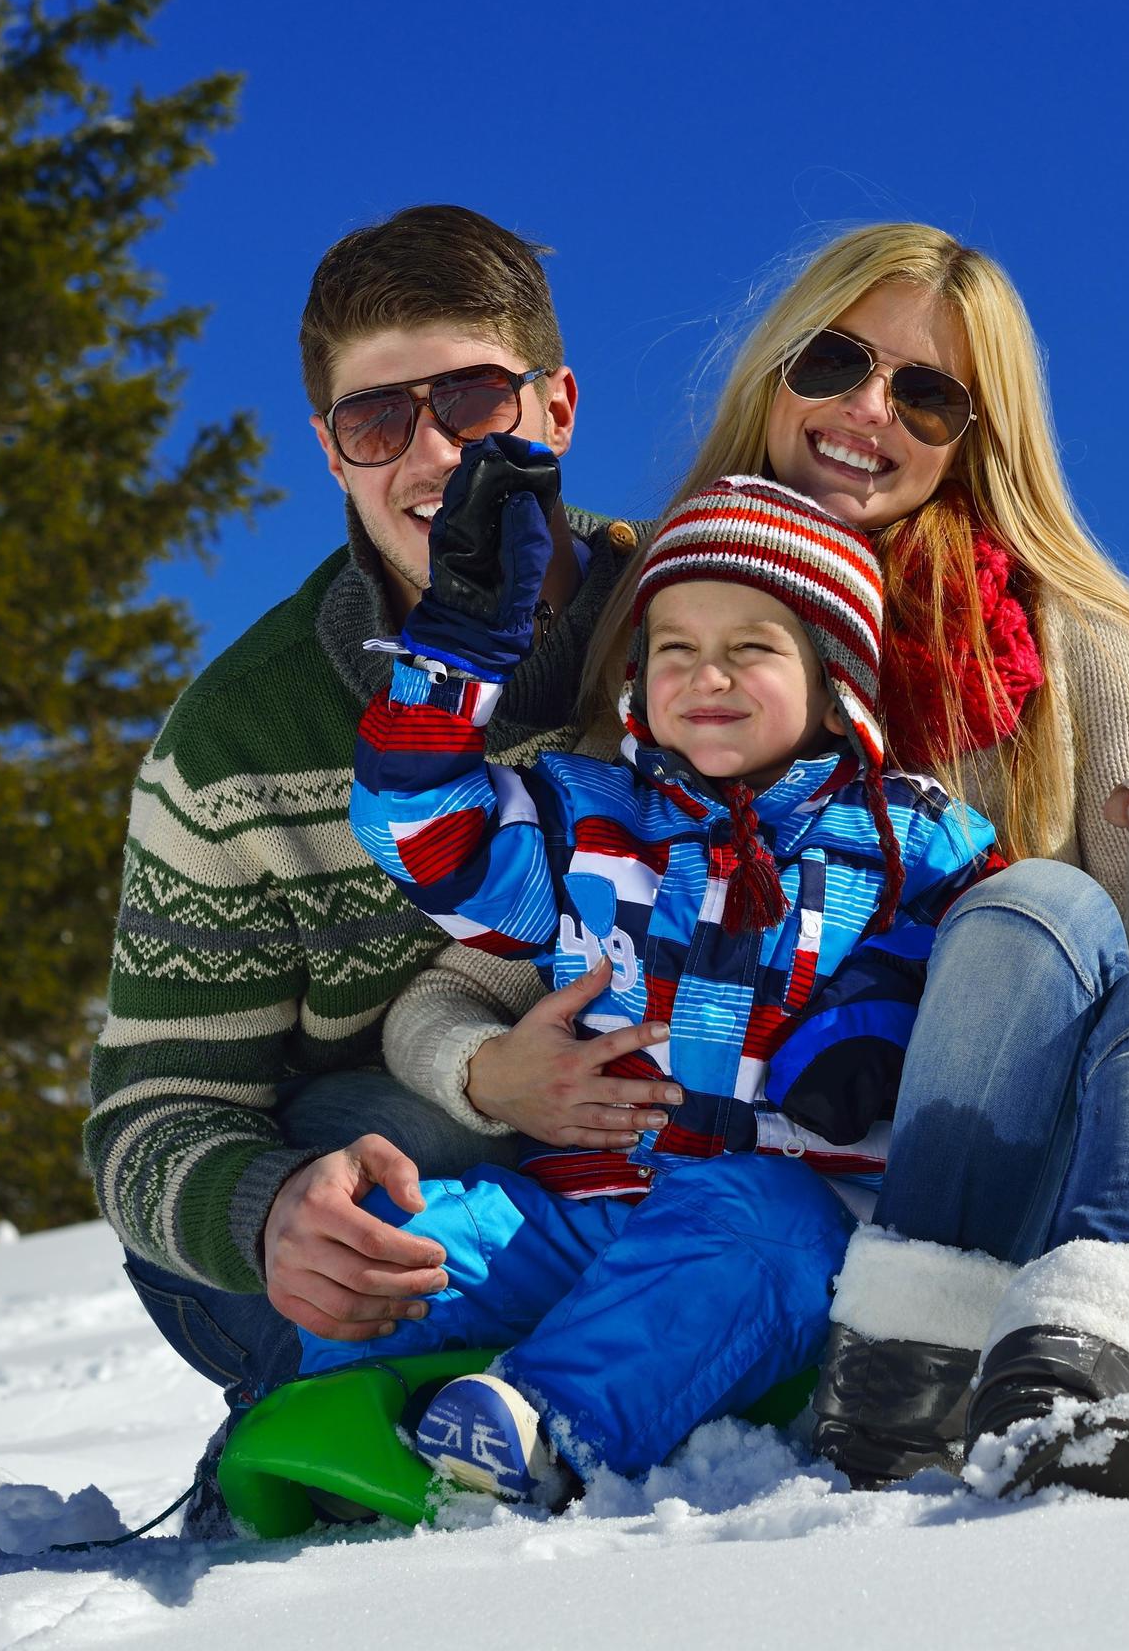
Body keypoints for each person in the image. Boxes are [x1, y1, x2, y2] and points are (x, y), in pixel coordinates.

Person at [656, 223, 1129, 1500]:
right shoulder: (677, 642)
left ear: (975, 439)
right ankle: (917, 1366)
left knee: (1042, 911)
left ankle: (1088, 1358)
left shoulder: (1064, 648)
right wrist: (489, 1068)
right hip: (864, 1218)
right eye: (835, 360)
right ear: (775, 370)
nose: (868, 410)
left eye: (928, 393)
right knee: (1019, 908)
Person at [79, 207, 652, 1522]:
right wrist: (272, 1211)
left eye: (470, 398)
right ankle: (345, 1424)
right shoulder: (239, 743)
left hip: (687, 1156)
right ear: (333, 453)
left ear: (555, 408)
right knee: (385, 1134)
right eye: (378, 420)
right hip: (379, 1201)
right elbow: (152, 1115)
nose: (433, 454)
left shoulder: (702, 631)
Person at [315, 449, 1001, 1501]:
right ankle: (300, 1433)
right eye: (673, 647)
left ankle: (546, 1433)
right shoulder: (590, 819)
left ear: (835, 687)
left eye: (749, 648)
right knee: (389, 1248)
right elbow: (420, 831)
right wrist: (453, 658)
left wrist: (875, 1017)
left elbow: (1000, 961)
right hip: (583, 1203)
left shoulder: (907, 837)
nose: (704, 674)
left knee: (766, 1235)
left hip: (784, 1218)